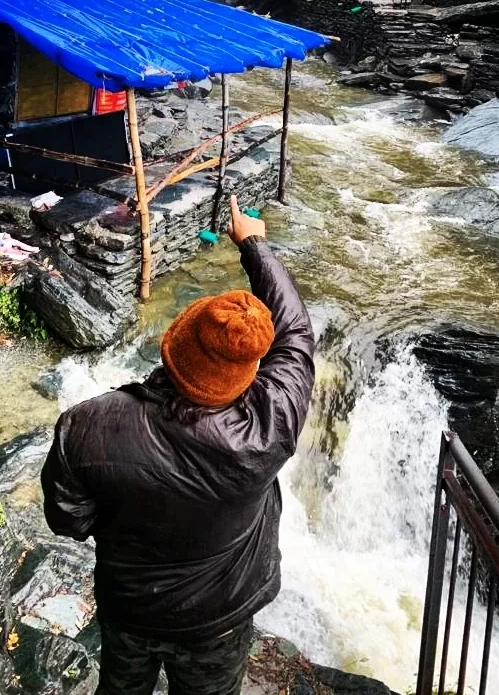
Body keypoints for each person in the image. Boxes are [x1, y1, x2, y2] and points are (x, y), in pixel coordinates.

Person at [41, 195, 315, 695]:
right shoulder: (271, 424)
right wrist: (253, 242)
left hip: (131, 610)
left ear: (174, 342)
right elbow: (295, 330)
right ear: (250, 373)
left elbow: (68, 519)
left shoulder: (88, 424)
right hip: (220, 622)